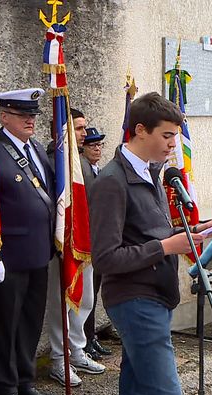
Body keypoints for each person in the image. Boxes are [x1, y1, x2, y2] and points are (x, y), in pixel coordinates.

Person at [89, 92, 212, 395]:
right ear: (140, 130)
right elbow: (106, 258)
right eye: (166, 135)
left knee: (136, 389)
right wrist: (166, 247)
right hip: (134, 299)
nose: (173, 144)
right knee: (166, 392)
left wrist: (191, 231)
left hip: (156, 296)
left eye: (174, 136)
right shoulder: (112, 181)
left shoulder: (151, 172)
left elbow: (149, 231)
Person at [0, 88, 56, 395]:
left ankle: (25, 381)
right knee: (3, 325)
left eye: (33, 115)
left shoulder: (36, 148)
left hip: (39, 252)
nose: (30, 120)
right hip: (6, 256)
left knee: (29, 322)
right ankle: (5, 386)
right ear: (4, 116)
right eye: (22, 115)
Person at [46, 111, 106, 388]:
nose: (83, 133)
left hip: (86, 242)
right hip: (63, 243)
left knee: (86, 300)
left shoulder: (81, 162)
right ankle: (60, 359)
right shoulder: (53, 161)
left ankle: (77, 351)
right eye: (77, 129)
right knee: (63, 304)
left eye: (83, 128)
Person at [80, 127, 113, 360]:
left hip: (98, 240)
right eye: (93, 145)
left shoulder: (97, 169)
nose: (97, 149)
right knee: (85, 295)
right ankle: (84, 340)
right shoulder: (82, 170)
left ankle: (91, 337)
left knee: (93, 292)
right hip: (85, 240)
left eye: (100, 145)